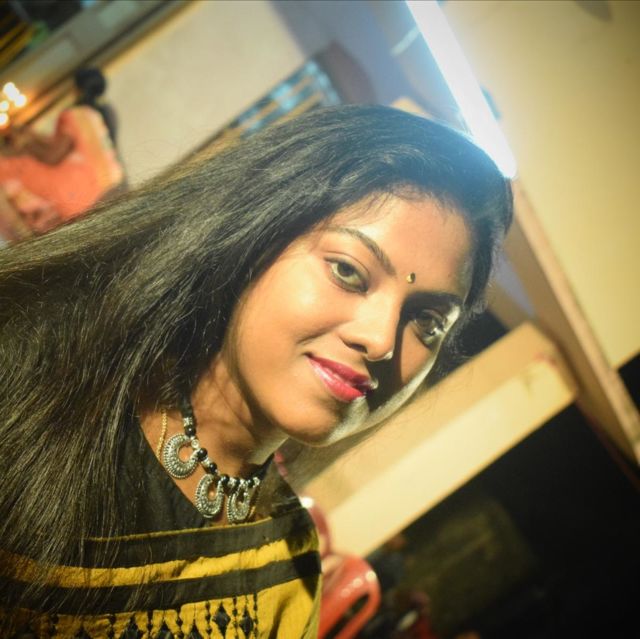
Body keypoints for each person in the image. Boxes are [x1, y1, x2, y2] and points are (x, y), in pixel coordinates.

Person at [0, 105, 513, 638]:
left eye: (427, 322)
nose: (382, 339)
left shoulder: (288, 584)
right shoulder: (31, 372)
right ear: (254, 235)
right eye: (348, 271)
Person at [0, 67, 124, 241]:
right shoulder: (102, 113)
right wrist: (30, 139)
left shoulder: (76, 115)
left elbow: (53, 155)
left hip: (79, 195)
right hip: (107, 189)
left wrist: (27, 144)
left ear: (76, 89)